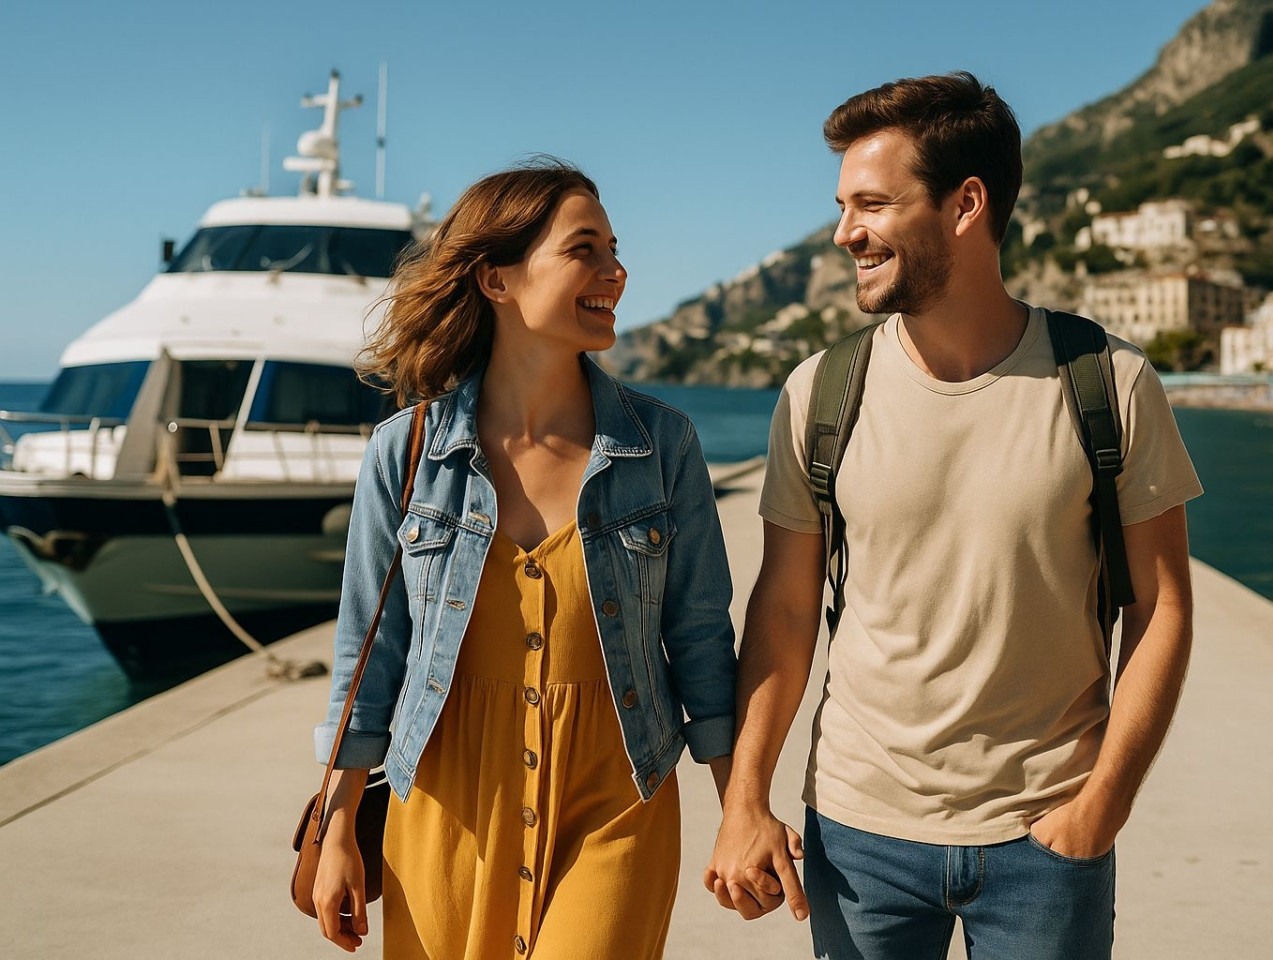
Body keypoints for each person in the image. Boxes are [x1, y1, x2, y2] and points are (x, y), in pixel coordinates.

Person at [705, 73, 1203, 959]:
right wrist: (745, 799)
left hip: (1046, 839)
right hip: (858, 839)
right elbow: (782, 611)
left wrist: (1103, 806)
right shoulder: (820, 392)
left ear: (966, 203)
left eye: (871, 204)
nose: (843, 232)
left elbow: (1160, 606)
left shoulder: (1109, 382)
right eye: (841, 205)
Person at [311, 159, 737, 959]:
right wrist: (337, 828)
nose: (616, 270)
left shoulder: (662, 446)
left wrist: (739, 807)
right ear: (496, 280)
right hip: (445, 805)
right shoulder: (405, 455)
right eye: (585, 249)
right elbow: (368, 657)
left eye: (614, 248)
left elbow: (704, 638)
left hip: (616, 799)